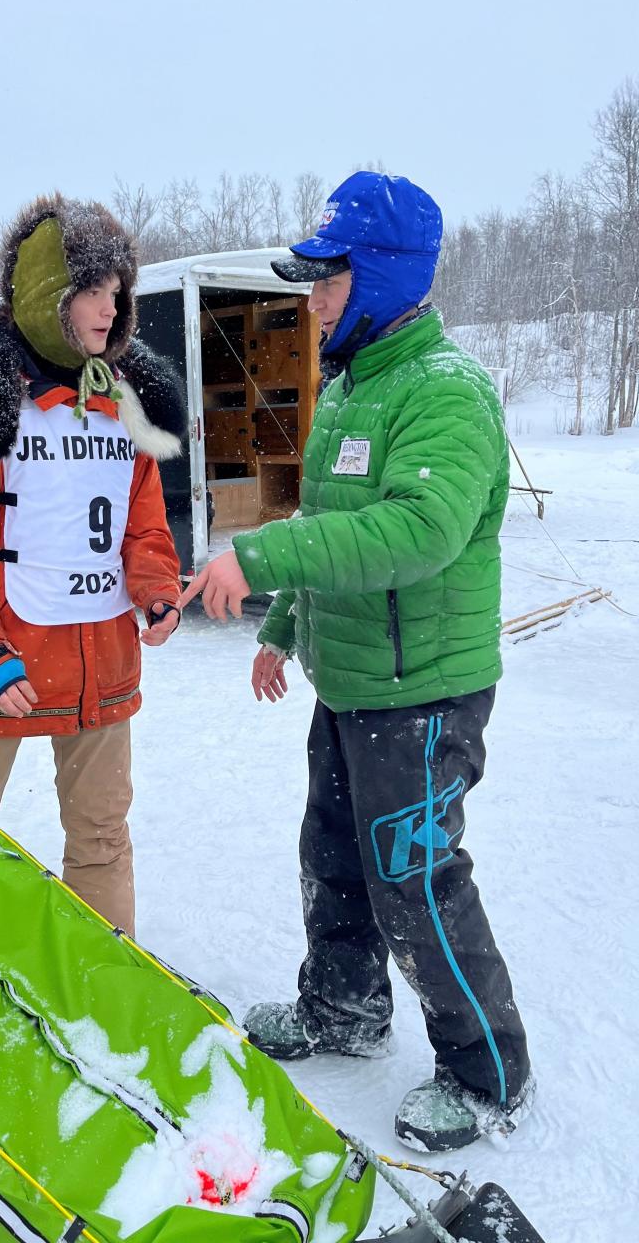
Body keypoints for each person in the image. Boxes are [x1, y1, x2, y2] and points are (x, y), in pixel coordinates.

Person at [179, 171, 534, 1153]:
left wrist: (256, 559)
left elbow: (412, 534)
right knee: (333, 856)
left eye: (327, 280)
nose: (312, 299)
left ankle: (487, 1067)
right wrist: (285, 627)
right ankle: (342, 1007)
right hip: (352, 684)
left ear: (379, 277)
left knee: (415, 877)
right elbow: (329, 523)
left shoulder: (446, 393)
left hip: (424, 691)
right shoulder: (352, 389)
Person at [0, 193, 186, 939]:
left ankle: (109, 990)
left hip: (103, 667)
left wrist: (157, 589)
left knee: (101, 843)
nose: (109, 308)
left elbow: (143, 526)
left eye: (116, 292)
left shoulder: (121, 402)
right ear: (46, 296)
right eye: (90, 290)